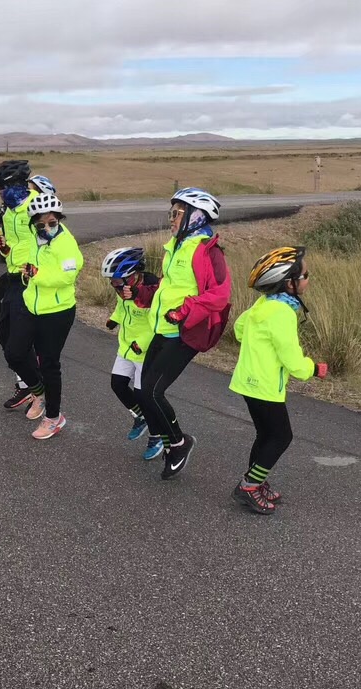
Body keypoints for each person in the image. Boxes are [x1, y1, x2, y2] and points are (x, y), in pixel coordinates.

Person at [141, 187, 232, 479]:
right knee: (143, 392)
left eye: (177, 213)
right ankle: (170, 445)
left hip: (185, 332)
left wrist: (185, 310)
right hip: (162, 328)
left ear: (196, 216)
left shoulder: (207, 250)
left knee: (153, 392)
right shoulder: (177, 246)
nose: (172, 218)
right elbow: (169, 286)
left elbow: (220, 294)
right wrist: (143, 294)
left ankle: (179, 443)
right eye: (172, 213)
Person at [230, 246, 327, 514]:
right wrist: (313, 369)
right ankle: (249, 486)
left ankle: (256, 481)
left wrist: (258, 344)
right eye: (305, 275)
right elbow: (293, 361)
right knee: (282, 436)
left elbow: (239, 329)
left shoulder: (264, 303)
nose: (308, 279)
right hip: (265, 385)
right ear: (289, 283)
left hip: (247, 382)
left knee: (265, 434)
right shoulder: (283, 313)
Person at [5, 193, 84, 439]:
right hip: (31, 305)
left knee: (49, 364)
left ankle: (54, 417)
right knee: (13, 353)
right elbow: (29, 265)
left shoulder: (65, 243)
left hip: (58, 311)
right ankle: (38, 391)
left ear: (59, 219)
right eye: (41, 224)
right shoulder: (33, 237)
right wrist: (25, 273)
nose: (47, 228)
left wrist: (37, 275)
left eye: (53, 222)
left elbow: (68, 276)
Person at [0, 159, 42, 411]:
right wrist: (1, 244)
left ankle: (33, 386)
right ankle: (28, 374)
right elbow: (14, 245)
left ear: (16, 185)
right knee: (0, 325)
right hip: (12, 272)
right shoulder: (10, 211)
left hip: (30, 278)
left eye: (2, 187)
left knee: (14, 344)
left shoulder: (36, 206)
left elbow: (50, 242)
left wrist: (37, 268)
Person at [101, 246, 164, 460]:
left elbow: (156, 323)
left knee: (143, 396)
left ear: (133, 275)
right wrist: (114, 319)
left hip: (144, 351)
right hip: (126, 347)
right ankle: (141, 417)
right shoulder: (124, 290)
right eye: (112, 282)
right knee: (117, 384)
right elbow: (122, 308)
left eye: (117, 281)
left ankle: (156, 437)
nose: (114, 285)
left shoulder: (151, 291)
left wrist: (141, 344)